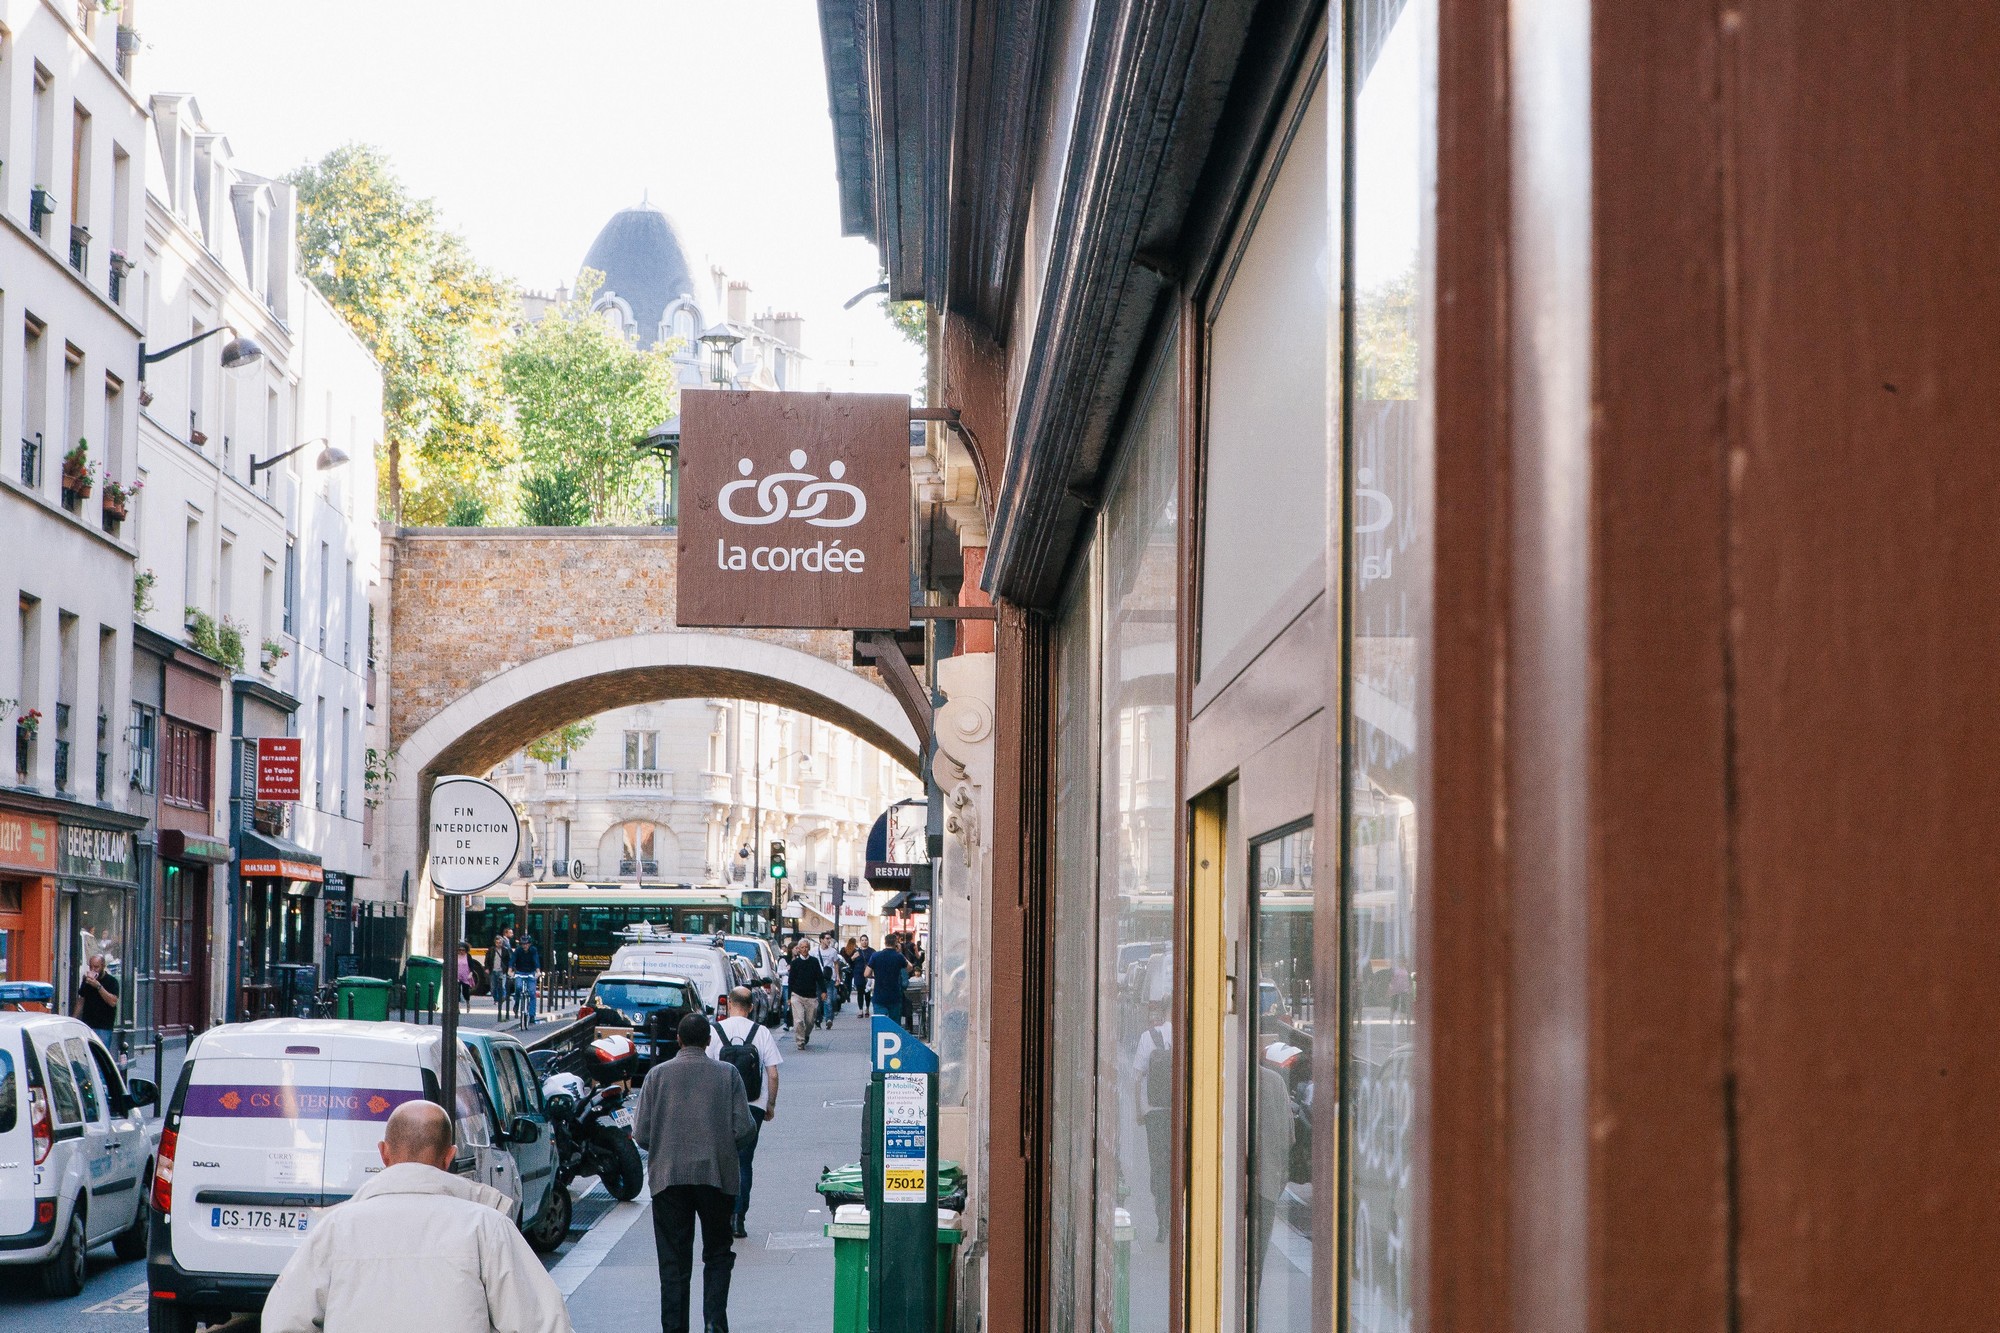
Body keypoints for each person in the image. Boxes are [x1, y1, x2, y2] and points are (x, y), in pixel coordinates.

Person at [263, 1100, 572, 1333]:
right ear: (449, 1156)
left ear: (383, 1153)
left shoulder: (335, 1228)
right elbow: (543, 1322)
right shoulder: (486, 1228)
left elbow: (284, 1321)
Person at [634, 1012, 755, 1333]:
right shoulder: (727, 1075)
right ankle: (715, 1324)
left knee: (673, 1263)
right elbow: (744, 1128)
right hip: (716, 1176)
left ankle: (674, 1329)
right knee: (717, 1253)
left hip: (668, 1179)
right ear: (709, 1040)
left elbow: (642, 1134)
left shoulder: (656, 1076)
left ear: (678, 1040)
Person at [706, 986, 783, 1239]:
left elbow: (705, 1070)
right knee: (744, 1161)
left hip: (721, 1104)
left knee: (720, 1160)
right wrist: (769, 1104)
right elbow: (772, 1073)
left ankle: (721, 1215)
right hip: (753, 1104)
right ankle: (738, 1218)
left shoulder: (715, 1032)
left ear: (729, 1004)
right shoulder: (761, 1033)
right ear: (751, 1007)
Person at [1133, 1008, 1173, 1242]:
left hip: (1155, 1114)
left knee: (1158, 1166)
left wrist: (1139, 1112)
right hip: (1178, 1114)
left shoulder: (1148, 1037)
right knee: (1177, 1165)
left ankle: (1162, 1221)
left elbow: (1137, 1078)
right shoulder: (1189, 1035)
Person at [72, 954, 118, 1048]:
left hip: (103, 1026)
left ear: (103, 966)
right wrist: (74, 1019)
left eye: (96, 967)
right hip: (87, 1024)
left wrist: (98, 986)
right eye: (91, 966)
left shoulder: (111, 981)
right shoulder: (86, 981)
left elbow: (112, 1002)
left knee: (100, 1055)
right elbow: (81, 1000)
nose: (93, 970)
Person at [786, 942, 823, 1049]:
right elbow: (791, 980)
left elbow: (819, 977)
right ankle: (800, 1041)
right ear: (799, 949)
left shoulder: (814, 961)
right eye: (802, 947)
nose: (805, 949)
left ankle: (805, 1035)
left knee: (810, 1021)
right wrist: (789, 997)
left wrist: (824, 991)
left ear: (809, 949)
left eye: (806, 947)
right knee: (799, 1020)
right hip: (797, 995)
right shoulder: (795, 963)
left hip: (811, 996)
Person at [865, 934, 910, 1022]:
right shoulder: (898, 957)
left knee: (880, 1023)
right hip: (894, 995)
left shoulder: (875, 956)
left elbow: (866, 974)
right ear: (896, 943)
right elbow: (910, 967)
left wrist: (874, 976)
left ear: (885, 943)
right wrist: (900, 952)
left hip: (879, 995)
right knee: (895, 1024)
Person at [514, 935, 541, 1027]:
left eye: (526, 944)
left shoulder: (533, 950)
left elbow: (536, 960)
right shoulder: (518, 950)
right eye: (523, 944)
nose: (525, 946)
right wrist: (510, 970)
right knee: (518, 987)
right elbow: (512, 960)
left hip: (530, 972)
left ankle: (532, 1015)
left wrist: (538, 971)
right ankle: (517, 1004)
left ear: (529, 944)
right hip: (519, 972)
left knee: (532, 993)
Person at [816, 933, 843, 1027]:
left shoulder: (833, 951)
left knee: (829, 1000)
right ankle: (818, 1020)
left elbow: (836, 964)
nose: (829, 940)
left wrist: (837, 977)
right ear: (821, 940)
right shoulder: (814, 951)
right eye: (827, 938)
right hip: (817, 979)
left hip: (829, 978)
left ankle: (828, 1019)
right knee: (818, 1001)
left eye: (829, 939)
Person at [491, 928, 516, 1019]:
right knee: (493, 987)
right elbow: (488, 959)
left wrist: (510, 968)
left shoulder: (505, 950)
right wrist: (487, 967)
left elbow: (508, 959)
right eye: (497, 942)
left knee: (502, 985)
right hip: (493, 970)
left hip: (502, 970)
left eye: (500, 943)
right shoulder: (492, 950)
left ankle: (502, 998)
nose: (499, 944)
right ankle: (496, 999)